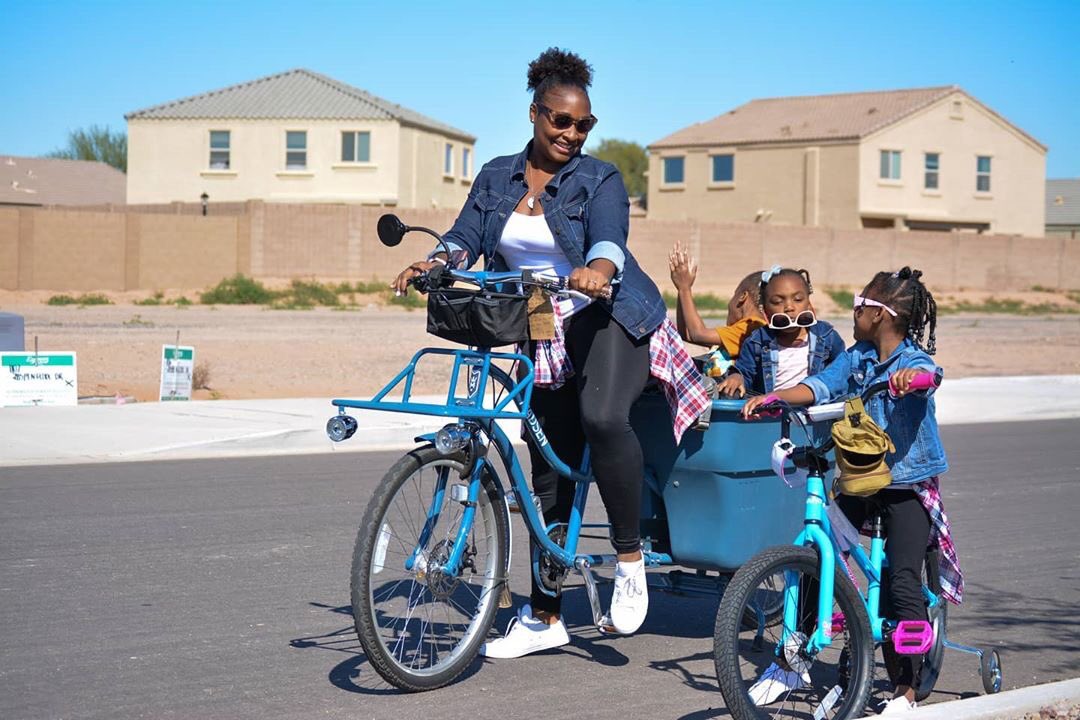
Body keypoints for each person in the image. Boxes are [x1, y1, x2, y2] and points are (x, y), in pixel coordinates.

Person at [392, 47, 707, 659]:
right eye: (560, 121)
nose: (571, 133)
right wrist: (436, 261)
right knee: (546, 463)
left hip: (610, 312)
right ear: (535, 114)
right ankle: (544, 616)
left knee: (601, 417)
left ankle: (629, 559)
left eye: (583, 124)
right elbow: (466, 236)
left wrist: (596, 267)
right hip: (541, 320)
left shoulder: (600, 178)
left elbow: (612, 237)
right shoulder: (496, 175)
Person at [742, 267, 963, 714]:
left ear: (881, 316)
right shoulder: (858, 355)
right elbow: (822, 384)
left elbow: (930, 375)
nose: (854, 310)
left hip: (907, 487)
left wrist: (912, 382)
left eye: (861, 305)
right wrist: (779, 396)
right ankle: (792, 660)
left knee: (901, 580)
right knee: (816, 557)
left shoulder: (908, 359)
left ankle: (905, 689)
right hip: (862, 483)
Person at [718, 265, 845, 397]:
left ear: (808, 302)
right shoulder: (757, 340)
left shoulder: (826, 335)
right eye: (777, 301)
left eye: (798, 299)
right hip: (771, 411)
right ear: (765, 308)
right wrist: (737, 377)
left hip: (815, 410)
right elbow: (745, 372)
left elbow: (842, 370)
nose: (789, 307)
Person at [667, 241, 765, 377]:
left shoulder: (751, 326)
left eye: (734, 295)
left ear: (742, 297)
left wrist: (685, 288)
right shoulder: (739, 330)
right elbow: (688, 335)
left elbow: (698, 334)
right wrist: (681, 290)